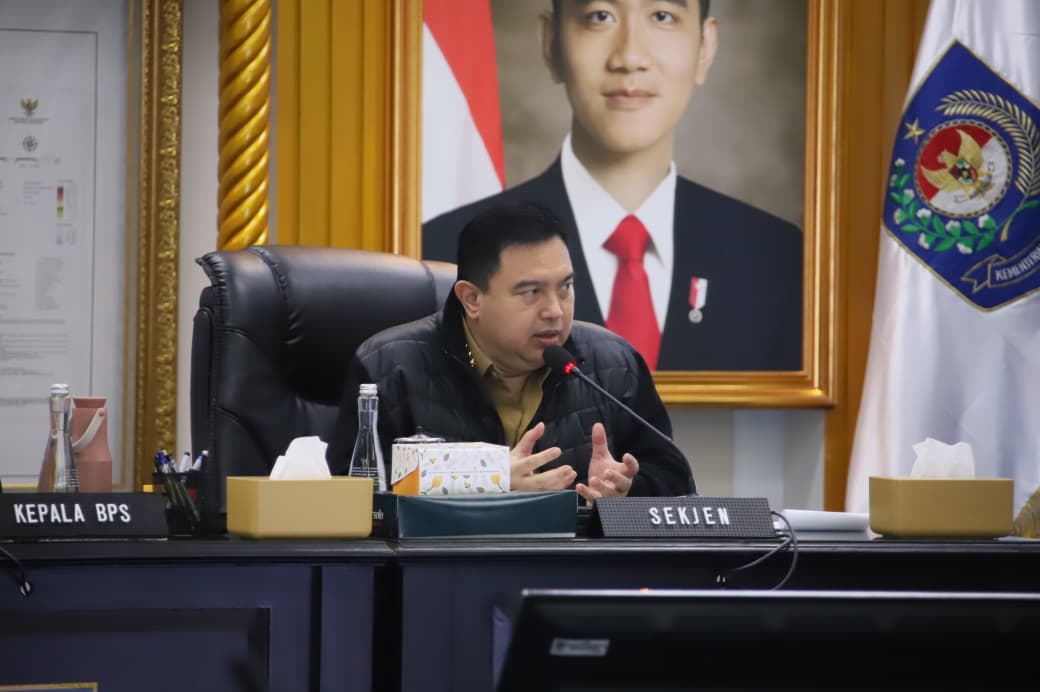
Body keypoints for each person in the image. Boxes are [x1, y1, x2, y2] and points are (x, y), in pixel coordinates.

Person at [423, 0, 802, 371]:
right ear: (551, 43)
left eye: (662, 16)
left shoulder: (776, 258)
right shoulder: (444, 252)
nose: (630, 57)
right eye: (599, 16)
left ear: (705, 47)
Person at [327, 201, 695, 502]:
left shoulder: (613, 366)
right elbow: (351, 502)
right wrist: (484, 482)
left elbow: (676, 482)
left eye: (565, 287)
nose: (555, 310)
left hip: (572, 567)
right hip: (443, 568)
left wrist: (625, 490)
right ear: (472, 299)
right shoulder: (389, 370)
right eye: (532, 292)